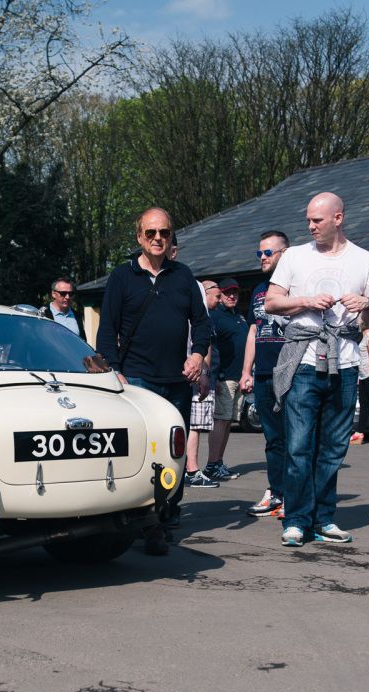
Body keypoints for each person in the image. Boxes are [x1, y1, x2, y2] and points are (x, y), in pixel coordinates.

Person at [264, 192, 369, 547]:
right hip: (303, 361)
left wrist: (366, 303)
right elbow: (271, 302)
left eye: (317, 220)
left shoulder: (365, 259)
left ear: (338, 218)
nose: (311, 226)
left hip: (345, 364)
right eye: (308, 221)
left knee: (333, 448)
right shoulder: (295, 256)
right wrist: (306, 301)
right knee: (298, 446)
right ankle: (296, 520)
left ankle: (324, 519)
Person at [96, 207, 212, 555]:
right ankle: (150, 524)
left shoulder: (183, 275)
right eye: (151, 233)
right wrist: (115, 371)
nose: (158, 238)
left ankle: (166, 511)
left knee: (174, 453)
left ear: (171, 236)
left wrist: (198, 357)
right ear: (139, 237)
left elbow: (202, 324)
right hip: (137, 380)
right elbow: (107, 331)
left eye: (164, 232)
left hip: (177, 381)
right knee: (145, 452)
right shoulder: (122, 276)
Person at [240, 231, 291, 517]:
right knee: (273, 439)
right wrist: (246, 371)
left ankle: (294, 495)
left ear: (284, 253)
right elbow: (253, 331)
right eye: (259, 253)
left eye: (268, 252)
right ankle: (276, 492)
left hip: (290, 373)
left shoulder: (295, 286)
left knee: (295, 438)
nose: (262, 257)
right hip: (262, 375)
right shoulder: (259, 290)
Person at [204, 277, 249, 481]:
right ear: (220, 295)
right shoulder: (214, 315)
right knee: (220, 420)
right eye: (228, 292)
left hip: (239, 377)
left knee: (229, 421)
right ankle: (211, 465)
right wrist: (215, 376)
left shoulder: (239, 315)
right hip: (224, 378)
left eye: (235, 292)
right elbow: (210, 347)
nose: (232, 296)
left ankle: (219, 462)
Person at [185, 281, 221, 488]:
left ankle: (188, 469)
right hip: (193, 372)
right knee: (195, 425)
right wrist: (204, 373)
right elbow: (201, 344)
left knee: (194, 424)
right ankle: (191, 470)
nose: (220, 300)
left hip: (197, 372)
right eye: (217, 296)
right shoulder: (197, 313)